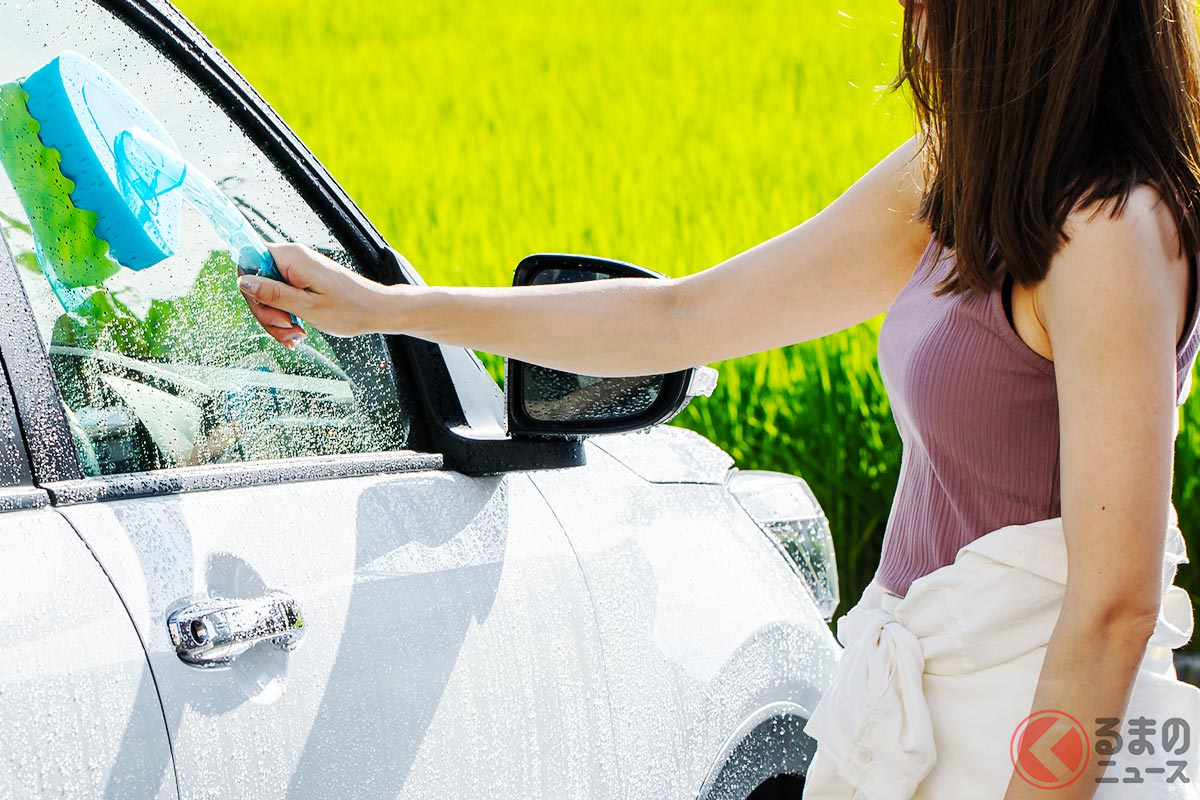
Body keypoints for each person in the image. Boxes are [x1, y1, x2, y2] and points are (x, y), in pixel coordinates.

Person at [237, 0, 1200, 796]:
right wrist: (386, 309)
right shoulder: (964, 174)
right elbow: (683, 319)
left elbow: (1113, 603)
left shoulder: (1111, 228)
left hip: (1029, 729)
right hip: (919, 709)